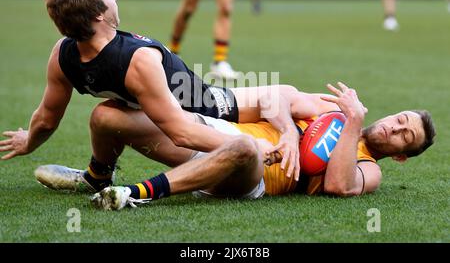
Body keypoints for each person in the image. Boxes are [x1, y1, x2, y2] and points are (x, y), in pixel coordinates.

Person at [0, 0, 304, 191]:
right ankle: (105, 180)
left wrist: (30, 140)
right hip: (204, 119)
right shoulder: (137, 60)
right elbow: (183, 133)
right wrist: (249, 145)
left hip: (211, 105)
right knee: (104, 117)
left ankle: (97, 177)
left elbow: (46, 118)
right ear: (98, 15)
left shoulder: (63, 54)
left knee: (289, 100)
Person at [33, 82, 435, 210]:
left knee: (244, 147)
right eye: (400, 120)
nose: (396, 129)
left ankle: (134, 194)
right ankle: (96, 176)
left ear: (401, 155)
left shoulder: (371, 167)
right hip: (210, 134)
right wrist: (290, 134)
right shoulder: (332, 109)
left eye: (405, 137)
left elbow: (338, 185)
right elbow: (277, 96)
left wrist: (355, 125)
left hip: (248, 174)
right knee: (107, 116)